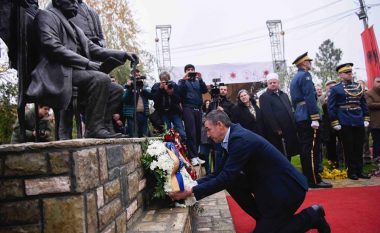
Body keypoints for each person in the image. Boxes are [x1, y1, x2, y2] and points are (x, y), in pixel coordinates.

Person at [169, 110, 331, 233]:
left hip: (287, 191)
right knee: (234, 183)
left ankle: (312, 215)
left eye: (208, 129)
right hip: (270, 189)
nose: (208, 135)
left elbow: (225, 178)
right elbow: (218, 174)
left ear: (220, 125)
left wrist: (191, 192)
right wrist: (191, 185)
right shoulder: (230, 138)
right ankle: (264, 219)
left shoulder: (240, 140)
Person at [26, 0, 138, 139]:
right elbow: (52, 47)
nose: (75, 5)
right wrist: (87, 63)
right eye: (71, 1)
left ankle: (103, 125)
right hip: (57, 73)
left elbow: (94, 49)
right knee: (101, 79)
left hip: (74, 72)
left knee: (116, 90)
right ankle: (93, 129)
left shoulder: (74, 27)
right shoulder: (46, 16)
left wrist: (123, 54)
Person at [290, 52, 332, 188]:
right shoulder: (306, 75)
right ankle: (314, 180)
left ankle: (308, 178)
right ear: (303, 63)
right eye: (309, 61)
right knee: (312, 149)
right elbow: (309, 96)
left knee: (305, 148)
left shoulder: (296, 76)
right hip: (308, 115)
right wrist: (314, 116)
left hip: (300, 115)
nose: (310, 63)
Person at [327, 63, 371, 180]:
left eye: (350, 72)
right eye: (347, 73)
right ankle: (351, 171)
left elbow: (363, 103)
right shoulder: (335, 89)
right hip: (345, 120)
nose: (350, 74)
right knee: (348, 147)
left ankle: (359, 170)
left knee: (358, 146)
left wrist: (366, 117)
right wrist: (335, 122)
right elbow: (331, 107)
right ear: (341, 75)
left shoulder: (358, 87)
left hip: (358, 119)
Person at [259, 73, 299, 160]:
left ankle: (289, 168)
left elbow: (289, 109)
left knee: (289, 151)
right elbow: (267, 115)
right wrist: (277, 129)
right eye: (270, 83)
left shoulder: (284, 95)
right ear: (267, 84)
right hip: (277, 131)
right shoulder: (264, 97)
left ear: (278, 83)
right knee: (281, 153)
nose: (273, 84)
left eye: (274, 82)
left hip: (289, 128)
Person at [178, 64, 208, 166]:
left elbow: (205, 90)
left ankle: (196, 155)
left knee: (198, 133)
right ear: (185, 71)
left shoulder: (197, 81)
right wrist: (183, 80)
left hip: (198, 109)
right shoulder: (182, 81)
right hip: (188, 108)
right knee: (191, 133)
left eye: (192, 70)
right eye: (188, 70)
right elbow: (179, 92)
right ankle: (192, 157)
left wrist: (201, 79)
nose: (190, 71)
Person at [151, 71, 186, 140]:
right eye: (162, 80)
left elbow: (179, 99)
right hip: (163, 113)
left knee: (182, 132)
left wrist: (170, 93)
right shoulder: (156, 86)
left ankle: (184, 147)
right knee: (167, 133)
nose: (164, 82)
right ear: (160, 80)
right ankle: (170, 148)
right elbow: (155, 99)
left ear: (169, 79)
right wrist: (160, 89)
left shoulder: (174, 85)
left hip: (174, 112)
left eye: (166, 80)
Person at [123, 71, 151, 137]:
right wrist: (130, 88)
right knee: (134, 136)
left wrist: (142, 87)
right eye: (135, 76)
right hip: (132, 115)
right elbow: (124, 100)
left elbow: (151, 96)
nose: (137, 78)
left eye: (138, 76)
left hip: (143, 114)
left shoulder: (144, 85)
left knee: (144, 136)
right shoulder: (127, 86)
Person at [365, 76, 380, 163]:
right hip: (375, 122)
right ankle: (376, 159)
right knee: (377, 141)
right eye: (378, 81)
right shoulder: (369, 93)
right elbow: (369, 104)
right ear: (373, 83)